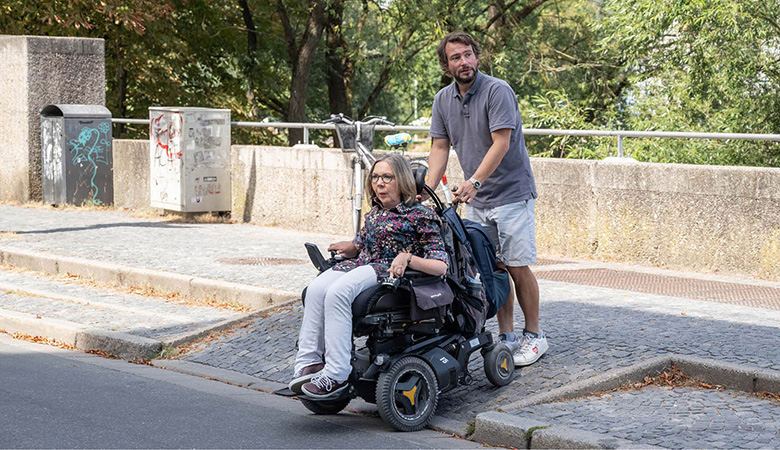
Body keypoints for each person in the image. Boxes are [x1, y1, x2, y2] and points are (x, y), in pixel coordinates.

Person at [425, 31, 548, 367]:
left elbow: (501, 143)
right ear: (446, 65)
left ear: (476, 57)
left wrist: (474, 182)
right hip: (478, 199)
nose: (463, 62)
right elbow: (439, 147)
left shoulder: (498, 91)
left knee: (517, 266)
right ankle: (507, 337)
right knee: (492, 268)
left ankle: (535, 337)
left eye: (468, 55)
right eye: (455, 57)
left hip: (511, 194)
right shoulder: (443, 100)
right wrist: (424, 189)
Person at [290, 153, 448, 399]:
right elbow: (362, 244)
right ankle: (309, 362)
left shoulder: (421, 215)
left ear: (403, 180)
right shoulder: (374, 214)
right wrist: (351, 247)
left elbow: (440, 266)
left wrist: (407, 258)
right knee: (316, 289)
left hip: (391, 274)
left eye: (387, 177)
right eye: (375, 177)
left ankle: (336, 374)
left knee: (337, 293)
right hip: (364, 265)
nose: (379, 183)